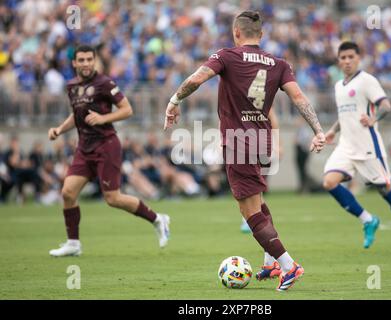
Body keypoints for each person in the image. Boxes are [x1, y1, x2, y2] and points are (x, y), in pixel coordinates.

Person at [164, 11, 325, 291]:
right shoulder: (279, 64)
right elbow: (299, 98)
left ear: (236, 33)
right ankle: (270, 262)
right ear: (260, 35)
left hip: (238, 142)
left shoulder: (226, 56)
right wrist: (318, 130)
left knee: (248, 210)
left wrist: (174, 100)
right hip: (261, 140)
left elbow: (196, 79)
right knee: (258, 202)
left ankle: (289, 266)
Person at [47, 45, 170, 257]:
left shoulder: (104, 83)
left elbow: (127, 110)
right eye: (81, 60)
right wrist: (59, 129)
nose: (85, 63)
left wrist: (103, 118)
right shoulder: (71, 86)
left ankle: (158, 219)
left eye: (89, 59)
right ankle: (73, 244)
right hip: (84, 148)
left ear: (94, 61)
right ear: (74, 63)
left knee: (113, 198)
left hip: (106, 146)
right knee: (67, 193)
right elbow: (76, 115)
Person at [322, 42, 391, 255]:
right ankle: (368, 220)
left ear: (358, 58)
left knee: (385, 190)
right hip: (346, 145)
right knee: (329, 182)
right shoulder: (339, 86)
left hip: (368, 146)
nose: (347, 61)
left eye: (351, 57)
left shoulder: (367, 81)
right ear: (338, 61)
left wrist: (373, 118)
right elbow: (345, 115)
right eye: (343, 58)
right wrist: (332, 131)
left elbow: (386, 106)